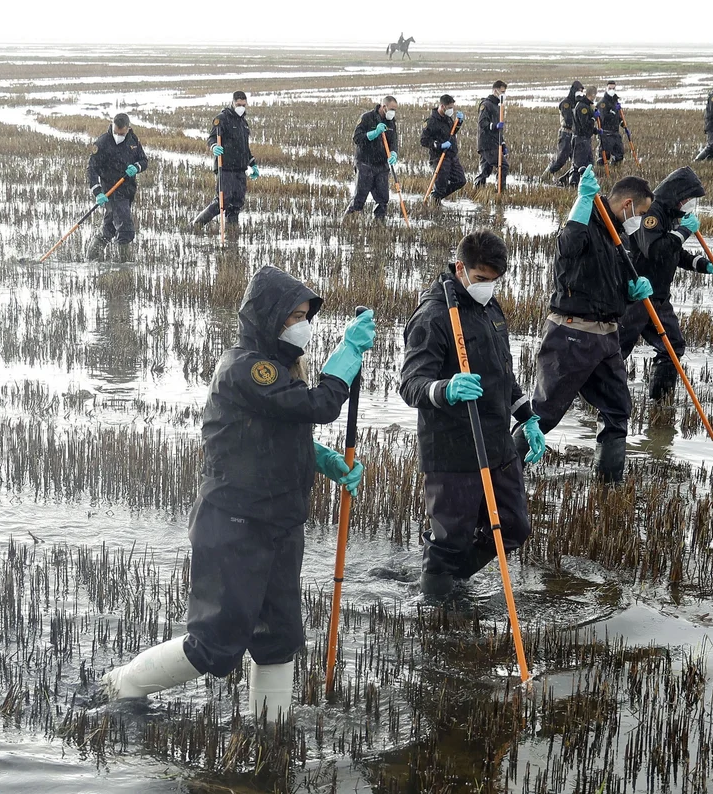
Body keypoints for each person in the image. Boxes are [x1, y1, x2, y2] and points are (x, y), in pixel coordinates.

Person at [101, 267, 378, 721]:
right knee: (215, 646)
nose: (301, 325)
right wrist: (346, 355)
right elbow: (317, 405)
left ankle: (272, 737)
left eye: (306, 316)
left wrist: (323, 460)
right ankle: (122, 686)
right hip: (233, 526)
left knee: (278, 638)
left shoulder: (278, 372)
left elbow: (275, 431)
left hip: (281, 523)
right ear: (267, 317)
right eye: (293, 316)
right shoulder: (247, 368)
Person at [398, 231, 542, 601]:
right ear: (460, 267)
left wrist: (527, 417)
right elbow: (411, 384)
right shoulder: (433, 316)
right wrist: (445, 389)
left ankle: (452, 582)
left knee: (513, 527)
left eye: (495, 281)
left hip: (497, 441)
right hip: (453, 448)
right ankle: (437, 605)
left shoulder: (490, 308)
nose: (488, 288)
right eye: (480, 280)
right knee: (450, 539)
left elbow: (503, 372)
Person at [533, 166, 643, 483]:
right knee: (544, 413)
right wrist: (581, 203)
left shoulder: (617, 237)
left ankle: (609, 485)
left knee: (617, 410)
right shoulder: (585, 225)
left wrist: (631, 293)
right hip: (571, 335)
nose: (641, 218)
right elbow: (567, 248)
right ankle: (504, 476)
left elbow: (608, 286)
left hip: (606, 339)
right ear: (627, 205)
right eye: (642, 211)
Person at [618, 167, 713, 403]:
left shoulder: (671, 215)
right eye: (686, 199)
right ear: (675, 194)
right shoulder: (652, 214)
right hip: (638, 297)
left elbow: (673, 254)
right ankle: (592, 397)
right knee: (615, 350)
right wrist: (684, 231)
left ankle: (659, 402)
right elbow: (655, 250)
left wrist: (703, 265)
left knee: (672, 347)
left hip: (659, 297)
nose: (688, 204)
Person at [192, 91, 261, 233]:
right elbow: (211, 138)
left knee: (236, 204)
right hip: (226, 167)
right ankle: (196, 225)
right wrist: (214, 147)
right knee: (223, 201)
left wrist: (252, 164)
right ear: (233, 102)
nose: (241, 107)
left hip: (240, 169)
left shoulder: (243, 123)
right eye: (238, 104)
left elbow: (244, 147)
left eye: (243, 105)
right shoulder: (222, 119)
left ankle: (232, 236)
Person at [88, 112, 148, 260]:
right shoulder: (102, 143)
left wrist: (137, 167)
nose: (118, 135)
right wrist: (97, 191)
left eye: (121, 133)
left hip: (128, 190)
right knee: (125, 228)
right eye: (116, 132)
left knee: (110, 227)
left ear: (128, 129)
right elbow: (92, 168)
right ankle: (124, 266)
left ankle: (91, 258)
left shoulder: (133, 141)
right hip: (111, 191)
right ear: (112, 127)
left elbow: (144, 160)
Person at [347, 96, 399, 221]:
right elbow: (357, 138)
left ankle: (379, 224)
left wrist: (393, 153)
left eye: (395, 110)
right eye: (392, 109)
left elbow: (394, 141)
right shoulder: (366, 118)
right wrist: (374, 133)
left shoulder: (391, 122)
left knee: (382, 198)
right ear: (384, 107)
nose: (393, 112)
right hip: (365, 163)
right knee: (360, 196)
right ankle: (349, 222)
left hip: (381, 165)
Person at [419, 94, 466, 202]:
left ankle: (436, 197)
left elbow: (452, 133)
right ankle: (435, 201)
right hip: (438, 157)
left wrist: (458, 123)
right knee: (441, 184)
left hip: (452, 155)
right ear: (442, 106)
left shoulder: (448, 119)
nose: (451, 110)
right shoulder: (431, 121)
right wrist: (438, 145)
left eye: (452, 107)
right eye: (449, 108)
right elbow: (424, 141)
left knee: (460, 180)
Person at [556, 85, 598, 185]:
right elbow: (584, 125)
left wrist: (595, 130)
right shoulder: (583, 107)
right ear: (591, 95)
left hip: (585, 139)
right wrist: (593, 119)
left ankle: (583, 182)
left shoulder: (586, 106)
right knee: (578, 165)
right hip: (580, 139)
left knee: (589, 163)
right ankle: (570, 183)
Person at [544, 80, 585, 179]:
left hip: (576, 134)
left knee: (577, 160)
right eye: (579, 90)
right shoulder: (565, 103)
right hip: (566, 133)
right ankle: (546, 175)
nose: (580, 93)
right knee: (561, 158)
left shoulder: (580, 103)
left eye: (582, 91)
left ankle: (567, 179)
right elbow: (568, 119)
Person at [472, 81, 508, 190]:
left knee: (485, 170)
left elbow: (499, 130)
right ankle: (500, 191)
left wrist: (503, 143)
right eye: (502, 91)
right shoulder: (486, 105)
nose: (503, 94)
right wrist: (494, 126)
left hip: (494, 142)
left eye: (504, 92)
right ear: (495, 90)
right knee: (504, 166)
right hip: (487, 143)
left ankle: (477, 190)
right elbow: (482, 123)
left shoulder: (498, 106)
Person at [596, 82, 627, 165]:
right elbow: (603, 118)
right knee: (604, 156)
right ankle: (602, 173)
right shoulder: (602, 103)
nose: (612, 90)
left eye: (613, 88)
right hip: (606, 133)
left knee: (619, 154)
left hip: (615, 132)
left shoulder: (615, 101)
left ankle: (615, 170)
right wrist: (612, 112)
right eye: (610, 88)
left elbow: (618, 116)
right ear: (606, 89)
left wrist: (622, 123)